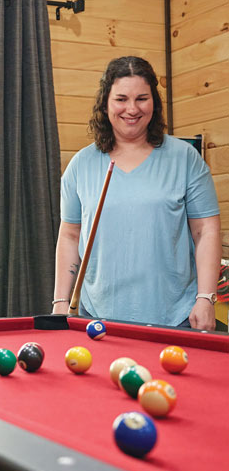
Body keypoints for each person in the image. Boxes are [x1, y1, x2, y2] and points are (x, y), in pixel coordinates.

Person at [53, 55, 221, 330]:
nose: (131, 108)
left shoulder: (185, 159)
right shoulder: (81, 165)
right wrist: (60, 301)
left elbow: (206, 231)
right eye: (121, 99)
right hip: (97, 321)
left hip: (175, 318)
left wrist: (205, 298)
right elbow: (70, 236)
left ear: (153, 103)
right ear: (105, 103)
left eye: (141, 98)